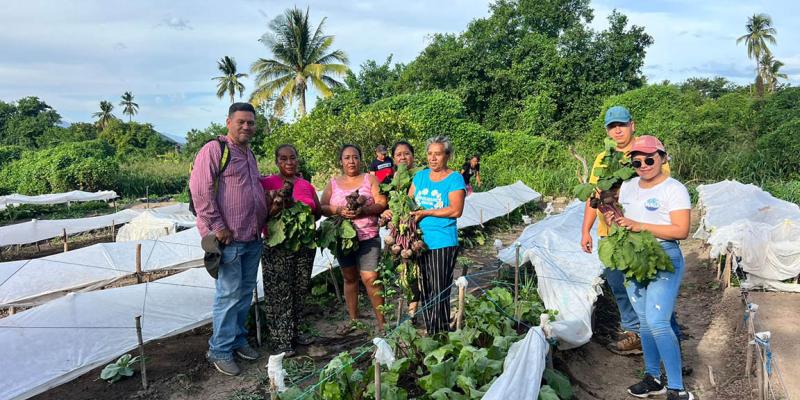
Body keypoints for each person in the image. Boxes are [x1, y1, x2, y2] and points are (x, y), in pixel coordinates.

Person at [580, 105, 680, 355]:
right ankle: (634, 331)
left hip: (642, 234)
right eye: (612, 127)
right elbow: (594, 195)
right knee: (618, 284)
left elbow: (658, 189)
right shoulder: (603, 158)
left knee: (650, 286)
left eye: (621, 125)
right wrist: (586, 231)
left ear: (632, 125)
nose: (617, 131)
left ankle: (669, 340)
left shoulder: (647, 151)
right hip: (610, 234)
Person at [609, 136, 693, 400]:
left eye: (649, 158)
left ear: (662, 158)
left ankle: (677, 388)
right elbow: (625, 218)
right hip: (633, 257)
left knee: (658, 321)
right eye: (637, 160)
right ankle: (653, 377)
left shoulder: (674, 189)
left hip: (663, 256)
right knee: (645, 322)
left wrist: (638, 226)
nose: (643, 164)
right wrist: (616, 218)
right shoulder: (629, 186)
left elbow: (681, 230)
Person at [189, 102, 267, 376]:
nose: (247, 126)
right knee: (228, 293)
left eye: (251, 122)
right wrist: (218, 226)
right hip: (229, 238)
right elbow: (200, 192)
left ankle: (236, 339)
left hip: (252, 235)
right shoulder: (215, 149)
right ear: (228, 122)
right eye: (241, 121)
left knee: (244, 293)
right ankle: (219, 349)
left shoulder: (249, 153)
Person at [259, 144, 321, 357]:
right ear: (276, 161)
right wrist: (279, 204)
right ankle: (280, 341)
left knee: (299, 289)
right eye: (283, 158)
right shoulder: (267, 183)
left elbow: (318, 212)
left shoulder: (305, 184)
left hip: (303, 245)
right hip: (277, 246)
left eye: (292, 158)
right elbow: (262, 215)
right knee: (278, 293)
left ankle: (295, 333)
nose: (289, 162)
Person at [320, 144, 388, 335]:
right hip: (344, 238)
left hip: (368, 236)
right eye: (347, 157)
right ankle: (354, 320)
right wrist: (338, 210)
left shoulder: (370, 179)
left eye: (355, 157)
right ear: (341, 161)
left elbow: (382, 202)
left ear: (361, 159)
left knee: (371, 278)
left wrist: (364, 210)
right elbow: (322, 206)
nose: (351, 161)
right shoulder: (333, 183)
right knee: (349, 278)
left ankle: (382, 323)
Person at [409, 136, 466, 335]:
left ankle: (440, 333)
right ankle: (431, 330)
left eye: (438, 154)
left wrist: (425, 212)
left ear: (447, 156)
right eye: (430, 153)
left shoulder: (454, 178)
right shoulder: (420, 177)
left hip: (442, 241)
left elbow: (455, 210)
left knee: (440, 289)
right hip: (418, 241)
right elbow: (408, 202)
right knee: (424, 289)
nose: (433, 158)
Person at [380, 141, 422, 317]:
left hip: (420, 229)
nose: (403, 157)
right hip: (400, 235)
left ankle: (428, 308)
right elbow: (381, 204)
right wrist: (385, 212)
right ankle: (412, 309)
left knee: (423, 271)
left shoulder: (422, 176)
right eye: (399, 155)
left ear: (413, 155)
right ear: (394, 159)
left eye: (406, 153)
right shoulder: (389, 181)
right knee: (407, 270)